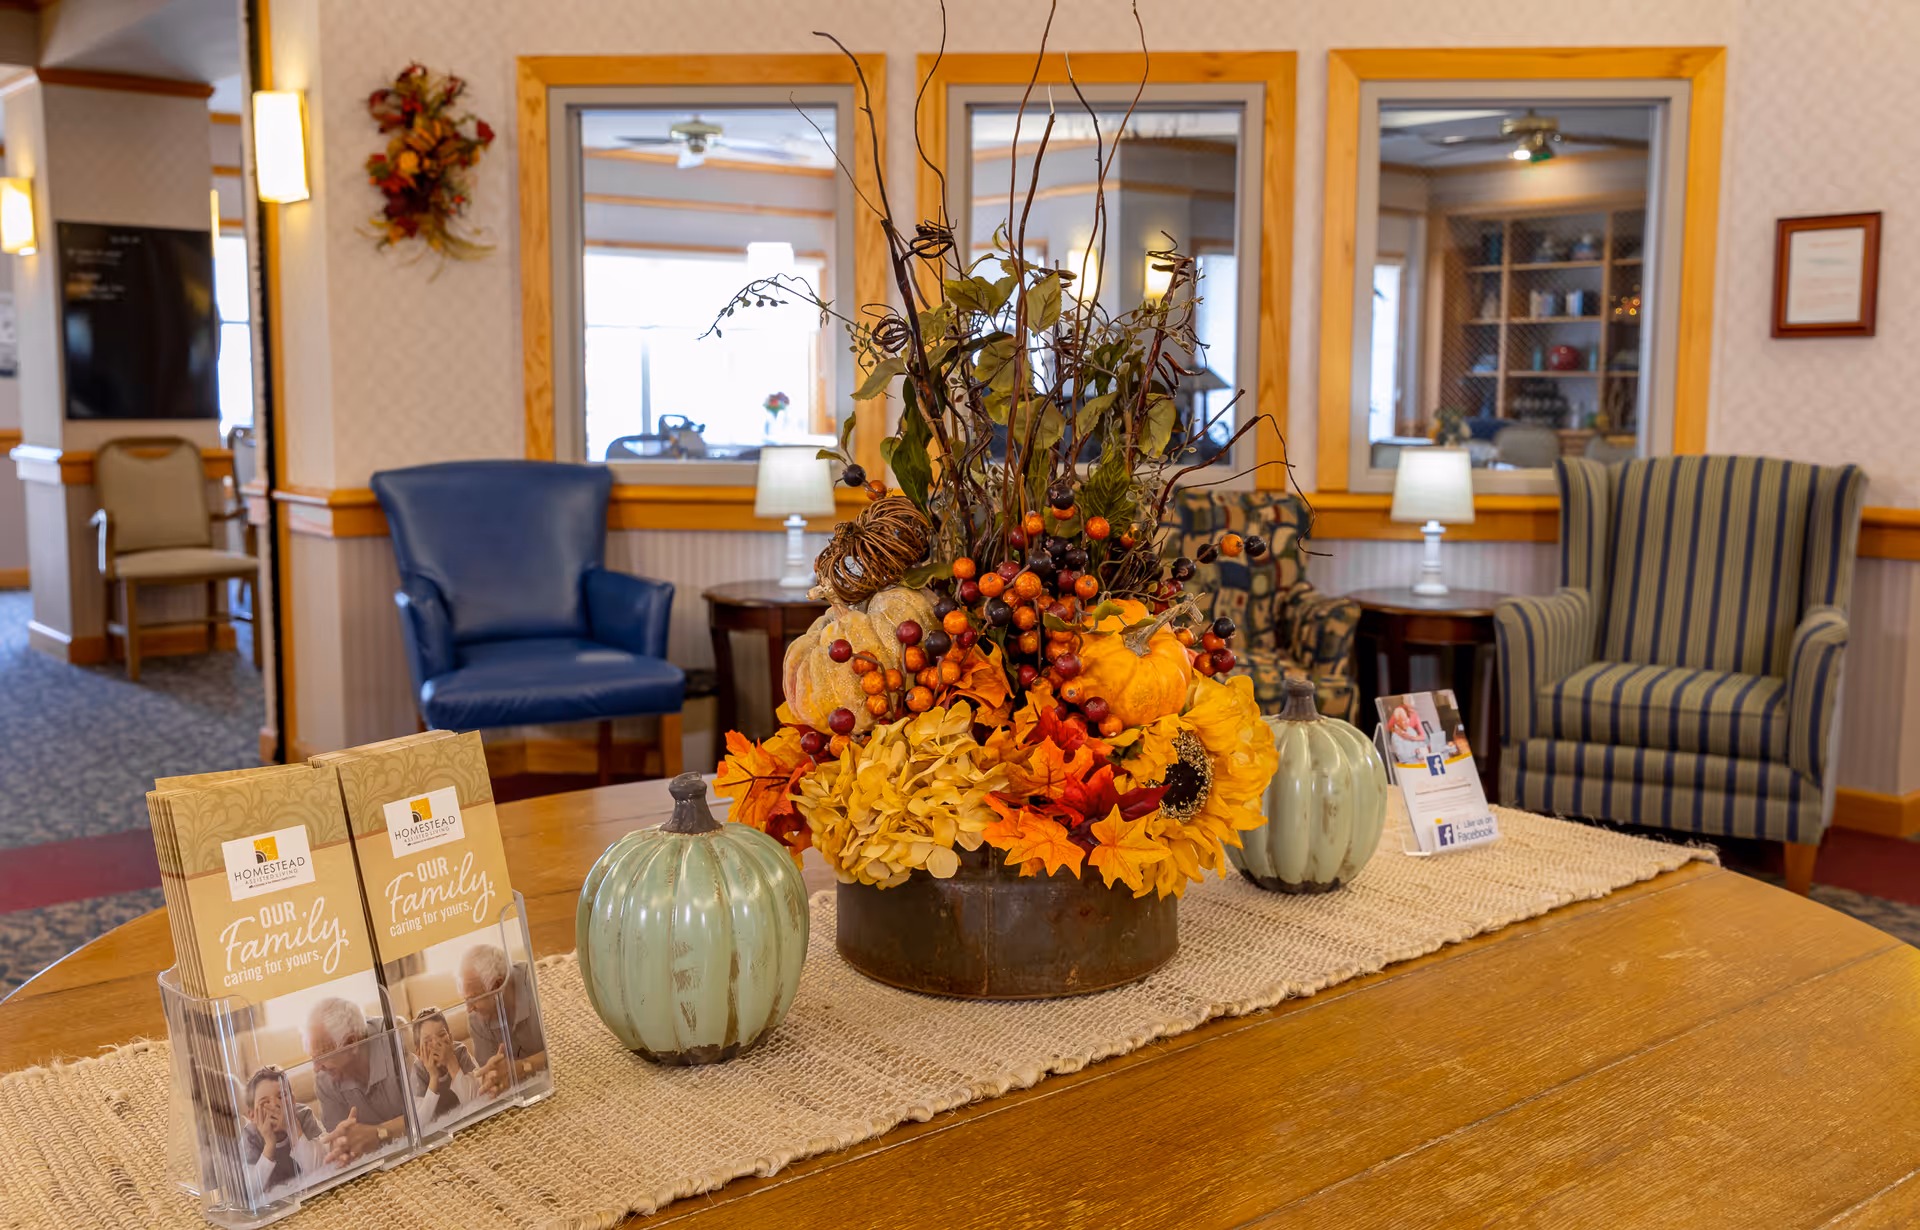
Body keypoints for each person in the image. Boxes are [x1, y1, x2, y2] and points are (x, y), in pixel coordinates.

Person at [305, 996, 409, 1165]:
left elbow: (434, 1108)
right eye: (312, 1057)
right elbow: (339, 1140)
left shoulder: (396, 1039)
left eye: (321, 1056)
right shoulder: (324, 1078)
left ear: (352, 1043)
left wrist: (378, 1133)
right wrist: (341, 1145)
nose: (316, 1068)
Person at [457, 944, 548, 1097]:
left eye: (473, 998)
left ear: (498, 986)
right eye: (465, 999)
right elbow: (490, 1074)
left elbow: (566, 1049)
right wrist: (493, 1078)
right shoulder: (476, 1019)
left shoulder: (538, 985)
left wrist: (523, 1066)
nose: (468, 1009)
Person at [241, 1067, 330, 1198]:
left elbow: (320, 1169)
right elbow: (250, 1192)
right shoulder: (250, 1137)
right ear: (252, 1116)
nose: (275, 1105)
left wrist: (293, 1128)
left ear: (292, 1100)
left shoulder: (303, 1115)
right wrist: (269, 1145)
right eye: (265, 1102)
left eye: (281, 1097)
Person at [409, 1007, 480, 1126]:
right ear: (419, 1054)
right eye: (428, 1040)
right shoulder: (418, 1071)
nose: (437, 1043)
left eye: (441, 1035)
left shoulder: (460, 1052)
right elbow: (419, 1122)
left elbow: (475, 1099)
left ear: (451, 1039)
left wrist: (451, 1062)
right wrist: (433, 1077)